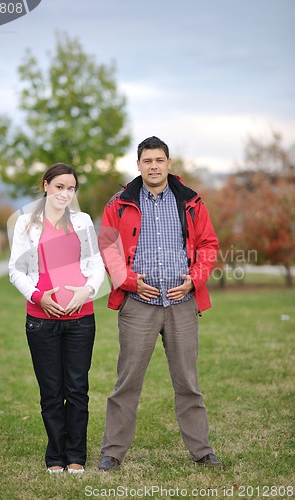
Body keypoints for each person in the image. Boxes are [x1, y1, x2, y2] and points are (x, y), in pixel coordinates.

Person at [98, 136, 221, 470]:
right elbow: (108, 247)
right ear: (137, 165)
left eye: (159, 160)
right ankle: (112, 452)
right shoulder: (120, 202)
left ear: (169, 163)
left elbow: (209, 243)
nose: (153, 166)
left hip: (181, 304)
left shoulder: (190, 200)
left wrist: (194, 280)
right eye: (147, 161)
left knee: (188, 383)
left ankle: (202, 451)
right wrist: (127, 280)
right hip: (138, 304)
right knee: (127, 382)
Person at [8, 163, 105, 474]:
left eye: (71, 188)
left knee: (77, 389)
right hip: (41, 320)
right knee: (51, 391)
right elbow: (16, 270)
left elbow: (96, 264)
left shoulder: (83, 221)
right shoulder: (25, 223)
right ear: (46, 185)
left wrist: (86, 291)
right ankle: (55, 456)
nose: (66, 193)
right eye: (60, 186)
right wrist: (39, 297)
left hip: (81, 318)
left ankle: (76, 456)